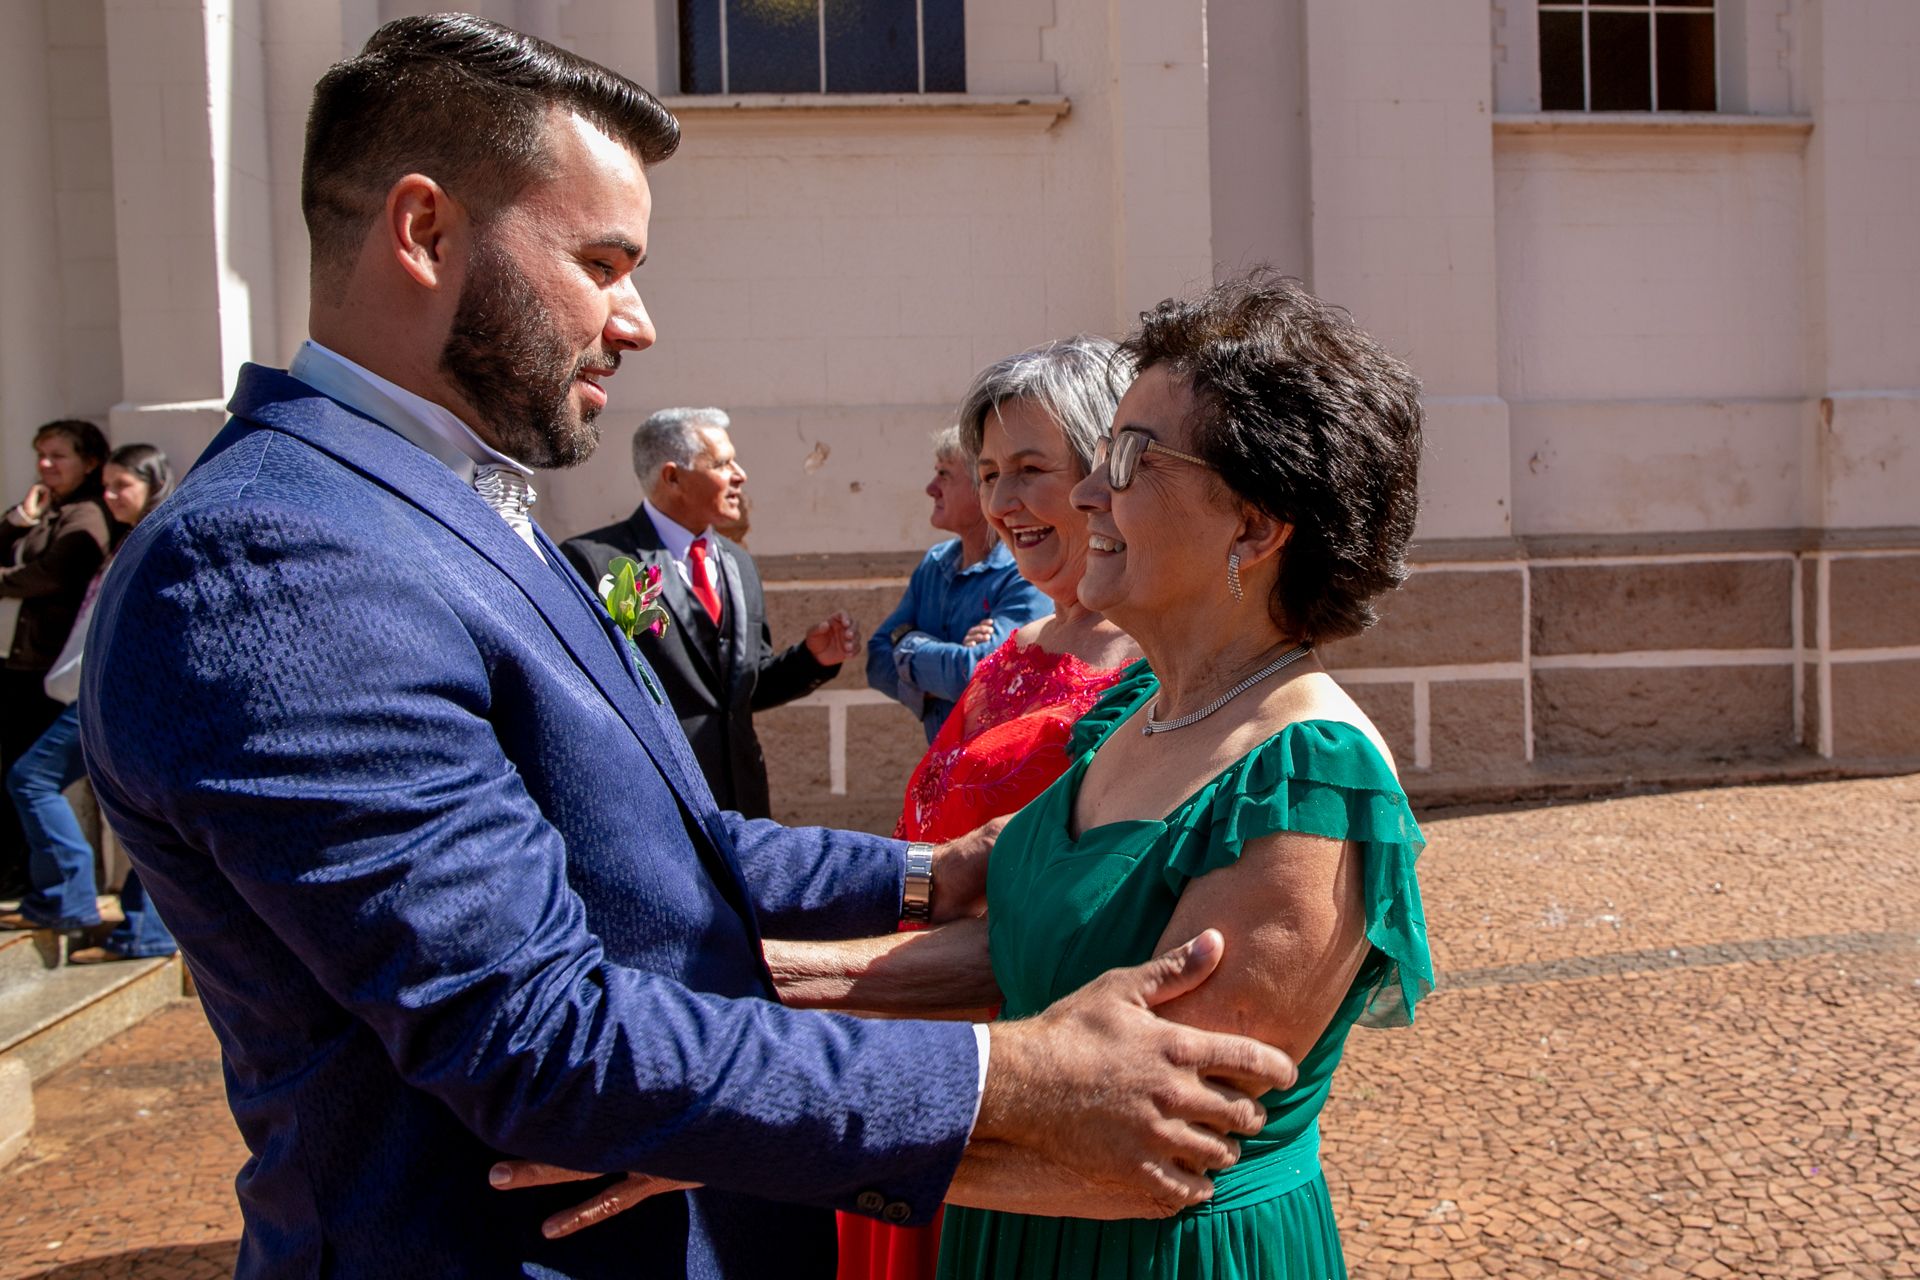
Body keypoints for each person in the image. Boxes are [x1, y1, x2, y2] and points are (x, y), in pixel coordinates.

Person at [77, 18, 1299, 1280]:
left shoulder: (431, 501)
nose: (638, 320)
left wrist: (929, 878)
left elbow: (650, 839)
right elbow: (530, 1033)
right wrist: (1012, 1076)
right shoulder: (279, 562)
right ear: (424, 230)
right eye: (603, 262)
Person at [938, 271, 1436, 1278]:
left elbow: (1137, 1145)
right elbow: (1019, 952)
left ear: (1253, 527)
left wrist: (759, 1133)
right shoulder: (1137, 710)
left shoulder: (1308, 773)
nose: (1086, 491)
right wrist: (761, 993)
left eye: (1126, 457)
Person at [840, 336, 1144, 1280]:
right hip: (916, 1019)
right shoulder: (1020, 645)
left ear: (1105, 473)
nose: (1003, 502)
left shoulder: (1146, 662)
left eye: (1029, 470)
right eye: (988, 473)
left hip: (1006, 1045)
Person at [560, 407, 855, 818]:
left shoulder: (738, 563)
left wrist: (811, 660)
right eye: (721, 464)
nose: (740, 475)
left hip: (743, 807)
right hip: (658, 804)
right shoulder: (599, 563)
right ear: (672, 477)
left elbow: (738, 694)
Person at [1, 445, 176, 962]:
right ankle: (123, 922)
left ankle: (75, 901)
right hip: (109, 690)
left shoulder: (156, 537)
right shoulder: (133, 537)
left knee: (32, 778)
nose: (110, 495)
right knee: (142, 803)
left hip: (118, 691)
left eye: (122, 485)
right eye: (107, 485)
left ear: (152, 485)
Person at [866, 426, 1047, 743]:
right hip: (943, 777)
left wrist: (910, 644)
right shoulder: (934, 565)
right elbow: (877, 660)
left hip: (1001, 778)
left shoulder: (1023, 569)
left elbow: (987, 678)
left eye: (944, 475)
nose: (930, 488)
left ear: (983, 489)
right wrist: (944, 677)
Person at [1, 419, 112, 898]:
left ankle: (49, 883)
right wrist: (19, 521)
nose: (45, 465)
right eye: (40, 455)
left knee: (30, 777)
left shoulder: (85, 516)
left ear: (88, 463)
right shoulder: (46, 510)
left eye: (57, 456)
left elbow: (50, 576)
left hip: (52, 674)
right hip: (23, 666)